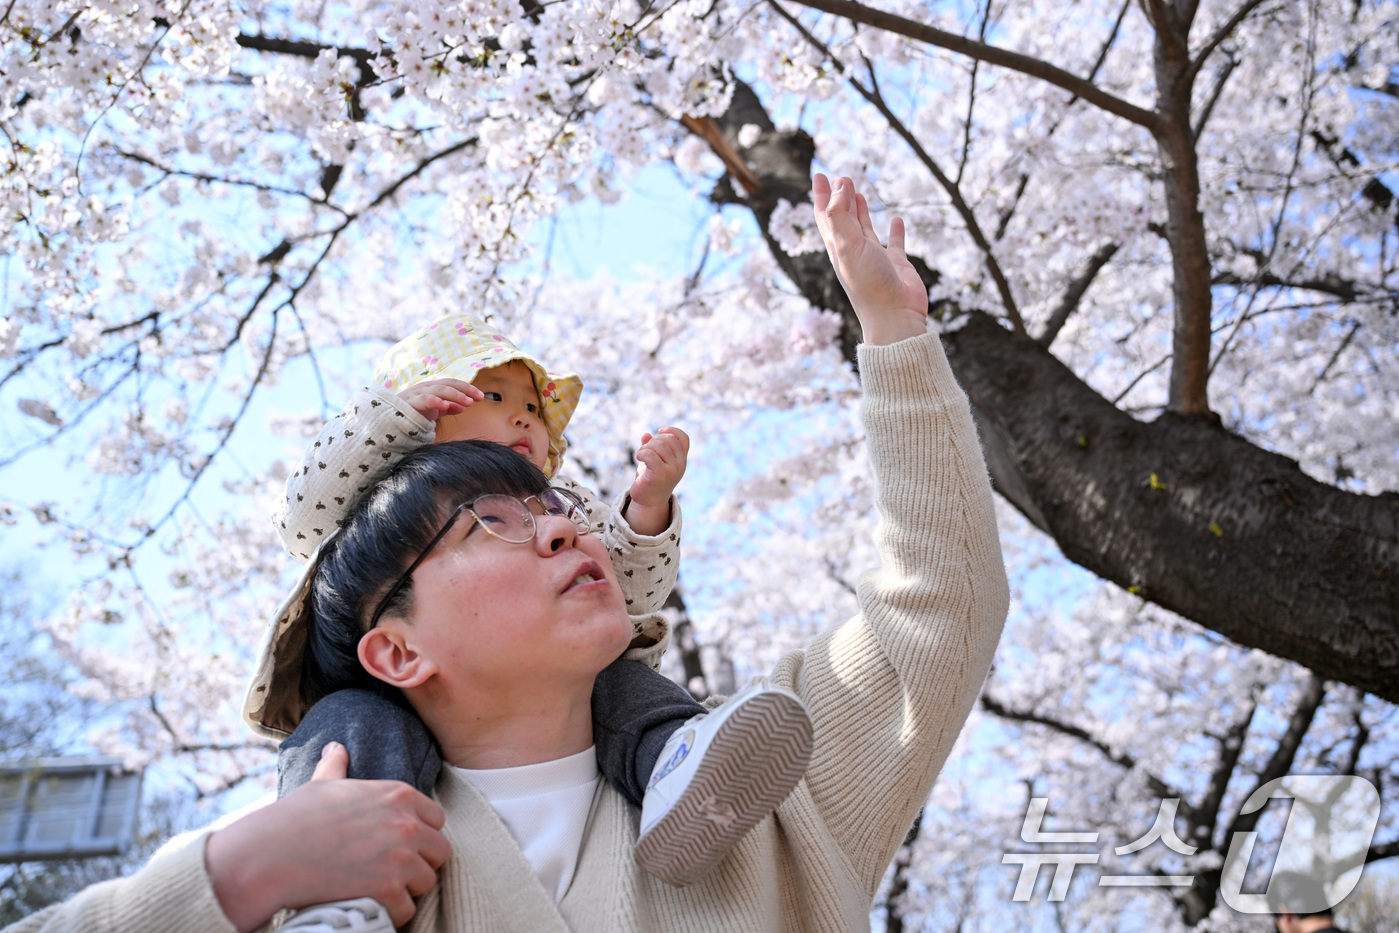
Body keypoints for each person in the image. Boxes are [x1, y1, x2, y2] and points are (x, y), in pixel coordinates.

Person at [4, 174, 1009, 933]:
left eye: (551, 509)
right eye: (487, 522)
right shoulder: (301, 867)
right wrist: (233, 879)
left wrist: (892, 331)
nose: (566, 528)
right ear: (393, 648)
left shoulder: (772, 807)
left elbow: (939, 611)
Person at [252, 312, 816, 902]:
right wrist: (393, 418)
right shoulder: (383, 497)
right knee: (345, 731)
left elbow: (630, 591)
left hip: (562, 690)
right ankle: (338, 882)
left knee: (626, 686)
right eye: (492, 393)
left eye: (532, 405)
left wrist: (647, 507)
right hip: (386, 695)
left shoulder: (565, 506)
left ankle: (678, 768)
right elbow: (302, 521)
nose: (523, 415)